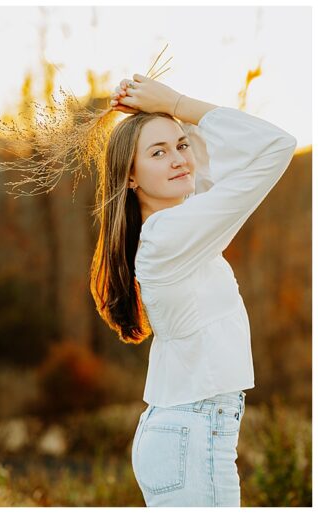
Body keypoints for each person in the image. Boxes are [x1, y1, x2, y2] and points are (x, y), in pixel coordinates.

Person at [92, 75, 296, 506]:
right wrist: (177, 102)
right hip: (193, 433)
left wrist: (164, 118)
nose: (179, 159)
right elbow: (276, 147)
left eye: (181, 146)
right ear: (130, 177)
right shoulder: (171, 234)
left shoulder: (174, 224)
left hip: (190, 431)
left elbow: (207, 166)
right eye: (157, 153)